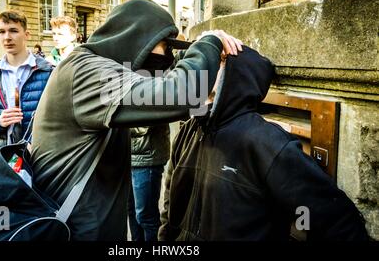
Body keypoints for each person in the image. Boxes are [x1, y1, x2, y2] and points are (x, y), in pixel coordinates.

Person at [28, 0, 243, 241]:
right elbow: (181, 94)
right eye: (165, 45)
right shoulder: (86, 73)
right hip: (73, 231)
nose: (168, 55)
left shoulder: (93, 65)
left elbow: (163, 79)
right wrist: (209, 43)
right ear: (139, 39)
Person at [158, 46, 370, 241]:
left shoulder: (266, 142)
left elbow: (335, 219)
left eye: (219, 59)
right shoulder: (189, 128)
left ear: (237, 75)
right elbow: (169, 200)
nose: (205, 63)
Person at [0, 10, 53, 149]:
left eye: (13, 31)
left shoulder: (49, 72)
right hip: (4, 155)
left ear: (26, 34)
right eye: (1, 32)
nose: (7, 37)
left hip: (41, 153)